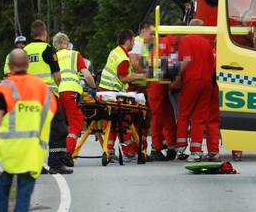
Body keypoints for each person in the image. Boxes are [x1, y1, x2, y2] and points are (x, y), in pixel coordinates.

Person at [0, 49, 56, 212]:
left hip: (6, 152)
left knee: (1, 196)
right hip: (31, 152)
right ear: (27, 64)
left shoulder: (5, 87)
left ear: (10, 65)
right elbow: (51, 112)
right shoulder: (41, 87)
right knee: (24, 196)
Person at [24, 20, 70, 173]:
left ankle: (35, 165)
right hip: (46, 96)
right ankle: (56, 163)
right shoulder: (49, 50)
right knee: (58, 128)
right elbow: (57, 76)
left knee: (34, 131)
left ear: (32, 34)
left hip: (28, 97)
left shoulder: (24, 51)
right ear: (45, 33)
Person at [99, 28, 147, 158]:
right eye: (133, 41)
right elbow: (123, 78)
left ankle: (110, 148)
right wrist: (142, 76)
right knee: (123, 120)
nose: (133, 44)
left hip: (105, 90)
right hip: (113, 93)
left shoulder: (115, 51)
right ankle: (129, 148)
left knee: (112, 121)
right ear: (129, 41)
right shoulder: (123, 58)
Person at [175, 21, 219, 161]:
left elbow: (186, 60)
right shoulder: (207, 44)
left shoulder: (186, 40)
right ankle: (196, 151)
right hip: (207, 83)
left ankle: (181, 147)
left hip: (192, 81)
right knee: (199, 118)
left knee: (184, 114)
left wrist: (173, 74)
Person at [54, 32, 95, 160]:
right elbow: (87, 75)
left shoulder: (53, 56)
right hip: (71, 92)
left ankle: (57, 153)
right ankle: (68, 152)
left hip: (56, 93)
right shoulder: (75, 55)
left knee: (59, 124)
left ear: (55, 45)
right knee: (75, 123)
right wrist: (94, 87)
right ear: (67, 43)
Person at [148, 30, 178, 161]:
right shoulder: (169, 41)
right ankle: (158, 147)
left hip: (159, 83)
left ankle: (167, 146)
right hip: (158, 82)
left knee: (165, 115)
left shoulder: (160, 43)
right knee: (160, 116)